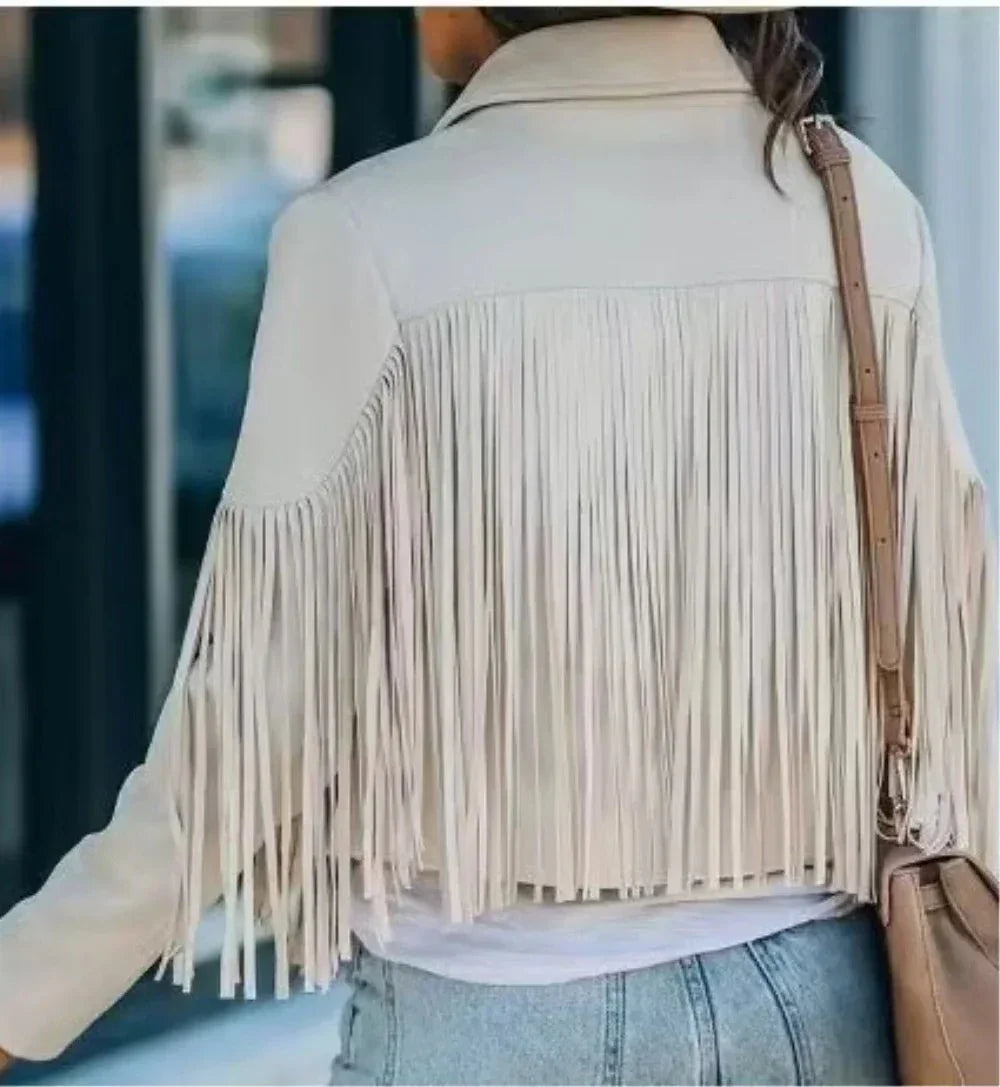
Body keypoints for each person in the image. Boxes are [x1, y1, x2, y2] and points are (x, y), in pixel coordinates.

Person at [0, 7, 996, 1085]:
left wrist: (26, 990)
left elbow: (249, 730)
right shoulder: (855, 203)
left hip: (497, 1026)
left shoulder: (370, 234)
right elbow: (955, 651)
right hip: (824, 1009)